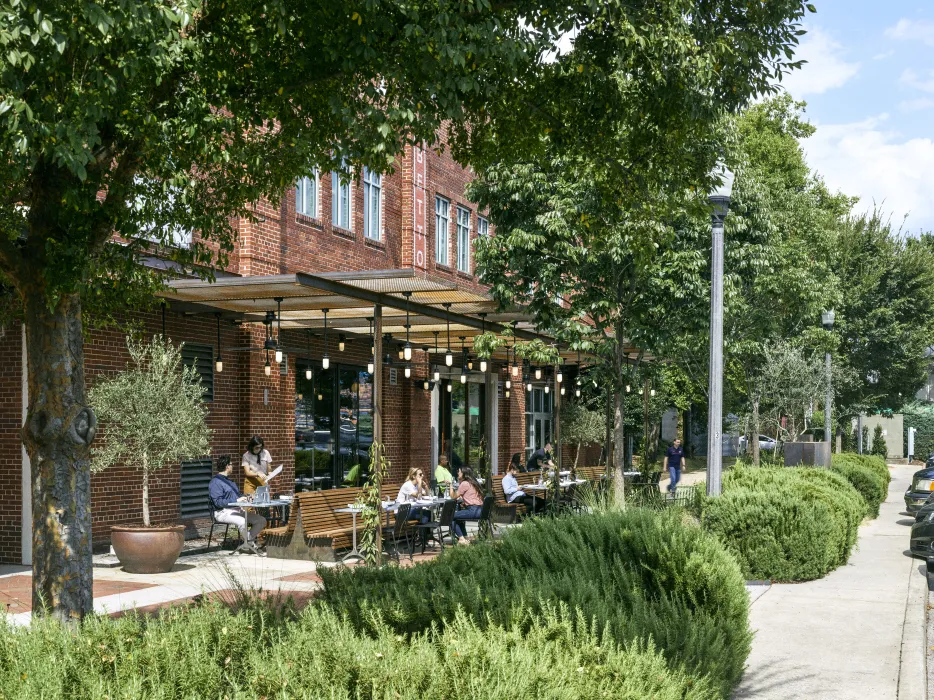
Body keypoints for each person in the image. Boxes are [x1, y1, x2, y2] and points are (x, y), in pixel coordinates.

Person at [209, 456, 266, 554]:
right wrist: (236, 499)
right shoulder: (215, 482)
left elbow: (239, 496)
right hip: (222, 512)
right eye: (231, 464)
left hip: (236, 510)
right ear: (227, 466)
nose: (232, 466)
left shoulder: (230, 481)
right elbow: (218, 502)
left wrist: (249, 497)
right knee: (242, 521)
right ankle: (251, 545)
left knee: (261, 520)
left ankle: (247, 542)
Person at [451, 467, 484, 545]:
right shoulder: (474, 482)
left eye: (459, 471)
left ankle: (462, 539)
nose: (457, 473)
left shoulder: (465, 483)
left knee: (450, 516)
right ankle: (465, 537)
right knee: (459, 517)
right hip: (481, 511)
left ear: (463, 473)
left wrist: (450, 486)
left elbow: (453, 496)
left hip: (473, 511)